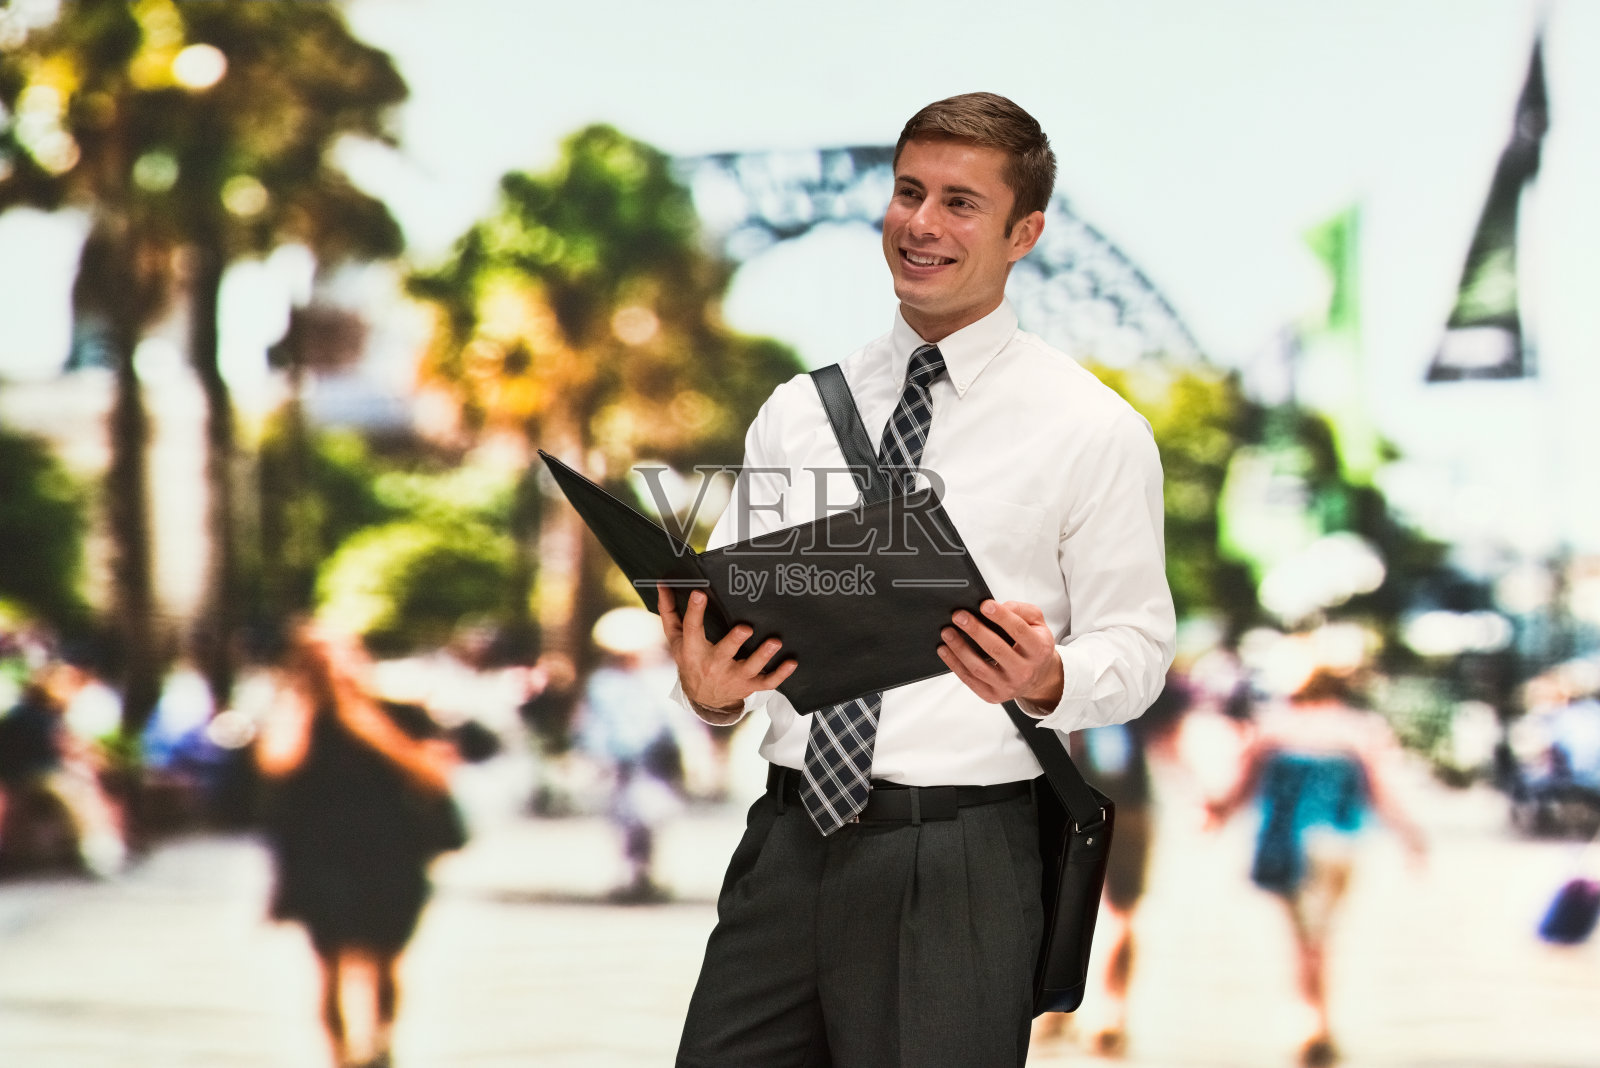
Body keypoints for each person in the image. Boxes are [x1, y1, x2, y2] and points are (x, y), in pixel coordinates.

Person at [659, 92, 1176, 1067]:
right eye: (907, 192)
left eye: (959, 202)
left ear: (1025, 232)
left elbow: (1139, 648)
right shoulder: (796, 411)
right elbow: (731, 613)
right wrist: (708, 689)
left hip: (958, 861)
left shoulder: (1091, 428)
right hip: (786, 842)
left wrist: (1048, 676)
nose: (921, 225)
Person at [256, 623, 459, 1068]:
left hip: (389, 850)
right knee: (328, 964)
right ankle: (341, 1057)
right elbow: (276, 764)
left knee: (385, 959)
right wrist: (305, 701)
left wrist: (366, 721)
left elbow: (434, 774)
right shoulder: (296, 715)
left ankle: (381, 1044)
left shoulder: (397, 709)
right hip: (320, 856)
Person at [1206, 667, 1426, 1068]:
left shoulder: (1275, 728)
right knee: (1323, 935)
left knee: (1302, 938)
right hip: (1339, 843)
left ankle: (1310, 1020)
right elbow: (1381, 792)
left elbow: (1239, 787)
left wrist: (1214, 815)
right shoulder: (1359, 729)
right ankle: (1319, 1019)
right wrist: (1412, 838)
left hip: (1288, 843)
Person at [0, 657, 126, 877]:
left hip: (34, 774)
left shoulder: (43, 714)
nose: (67, 689)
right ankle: (100, 853)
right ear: (48, 685)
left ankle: (102, 848)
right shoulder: (31, 716)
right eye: (62, 683)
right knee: (80, 795)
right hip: (32, 776)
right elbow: (57, 749)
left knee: (86, 788)